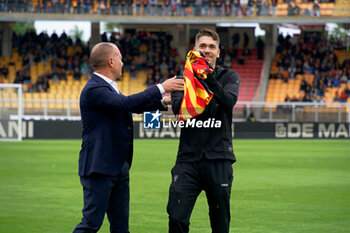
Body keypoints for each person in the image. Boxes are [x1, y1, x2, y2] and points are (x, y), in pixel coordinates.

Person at [73, 42, 183, 233]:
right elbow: (125, 103)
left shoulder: (108, 88)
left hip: (118, 166)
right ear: (111, 61)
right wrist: (161, 87)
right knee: (90, 224)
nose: (123, 63)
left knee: (121, 229)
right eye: (120, 59)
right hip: (99, 168)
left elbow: (131, 106)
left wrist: (163, 103)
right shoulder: (94, 89)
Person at [167, 29, 240, 233]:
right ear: (194, 50)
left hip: (219, 158)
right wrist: (197, 79)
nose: (207, 50)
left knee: (220, 221)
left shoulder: (229, 76)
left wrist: (208, 78)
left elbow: (228, 102)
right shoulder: (181, 80)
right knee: (176, 216)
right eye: (203, 46)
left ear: (218, 52)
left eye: (212, 47)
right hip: (187, 160)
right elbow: (181, 109)